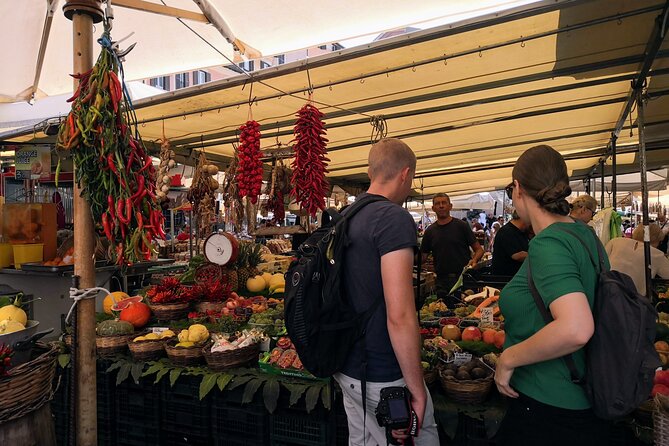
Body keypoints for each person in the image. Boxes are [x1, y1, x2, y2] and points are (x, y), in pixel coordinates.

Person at [495, 145, 610, 446]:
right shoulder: (584, 234)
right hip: (579, 396)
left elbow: (576, 328)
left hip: (547, 404)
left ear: (517, 188)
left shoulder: (548, 243)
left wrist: (508, 359)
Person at [337, 138, 439, 446]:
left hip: (347, 368)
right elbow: (400, 314)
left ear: (371, 172)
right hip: (383, 374)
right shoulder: (393, 219)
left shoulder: (345, 217)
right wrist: (417, 391)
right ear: (406, 173)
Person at [421, 194, 484, 294]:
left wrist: (474, 260)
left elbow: (479, 249)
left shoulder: (461, 226)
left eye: (444, 203)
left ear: (450, 206)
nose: (441, 206)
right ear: (433, 208)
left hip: (464, 278)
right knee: (442, 308)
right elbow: (423, 257)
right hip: (441, 281)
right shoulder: (430, 231)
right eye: (438, 203)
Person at [605, 224, 669, 296]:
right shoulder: (657, 254)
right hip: (632, 300)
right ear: (657, 239)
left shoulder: (615, 241)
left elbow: (601, 261)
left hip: (605, 291)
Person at [491, 211, 530, 276]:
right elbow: (517, 256)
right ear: (524, 217)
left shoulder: (521, 232)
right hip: (505, 279)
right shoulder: (507, 232)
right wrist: (539, 256)